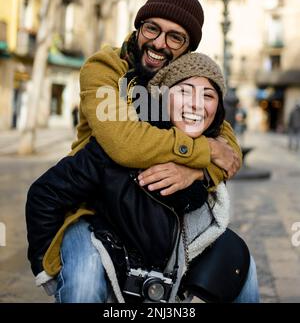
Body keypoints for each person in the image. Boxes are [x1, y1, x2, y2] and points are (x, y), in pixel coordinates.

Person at [26, 52, 259, 303]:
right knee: (84, 282)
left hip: (171, 273)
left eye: (208, 96)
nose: (196, 104)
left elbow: (230, 157)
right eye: (184, 91)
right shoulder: (123, 144)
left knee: (242, 265)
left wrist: (199, 170)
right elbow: (44, 194)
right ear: (162, 97)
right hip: (113, 259)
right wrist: (47, 272)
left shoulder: (214, 150)